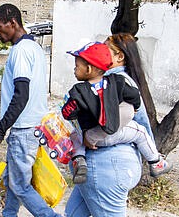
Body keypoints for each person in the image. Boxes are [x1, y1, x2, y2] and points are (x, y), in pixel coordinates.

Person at [33, 46, 145, 217]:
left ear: (92, 69)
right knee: (74, 215)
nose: (74, 67)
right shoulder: (120, 85)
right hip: (109, 164)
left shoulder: (86, 91)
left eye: (79, 63)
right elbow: (134, 110)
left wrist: (91, 134)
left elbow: (69, 113)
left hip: (106, 166)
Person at [0, 4, 64, 217]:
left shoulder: (20, 51)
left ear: (13, 22)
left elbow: (21, 95)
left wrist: (0, 129)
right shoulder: (35, 49)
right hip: (33, 127)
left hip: (23, 129)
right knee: (14, 180)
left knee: (20, 185)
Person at [61, 42, 172, 184]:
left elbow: (68, 113)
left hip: (89, 140)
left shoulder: (79, 91)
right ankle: (156, 162)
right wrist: (136, 107)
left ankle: (79, 160)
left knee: (75, 136)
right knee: (141, 132)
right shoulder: (118, 81)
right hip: (116, 134)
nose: (74, 69)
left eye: (76, 66)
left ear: (88, 69)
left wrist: (72, 109)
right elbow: (134, 95)